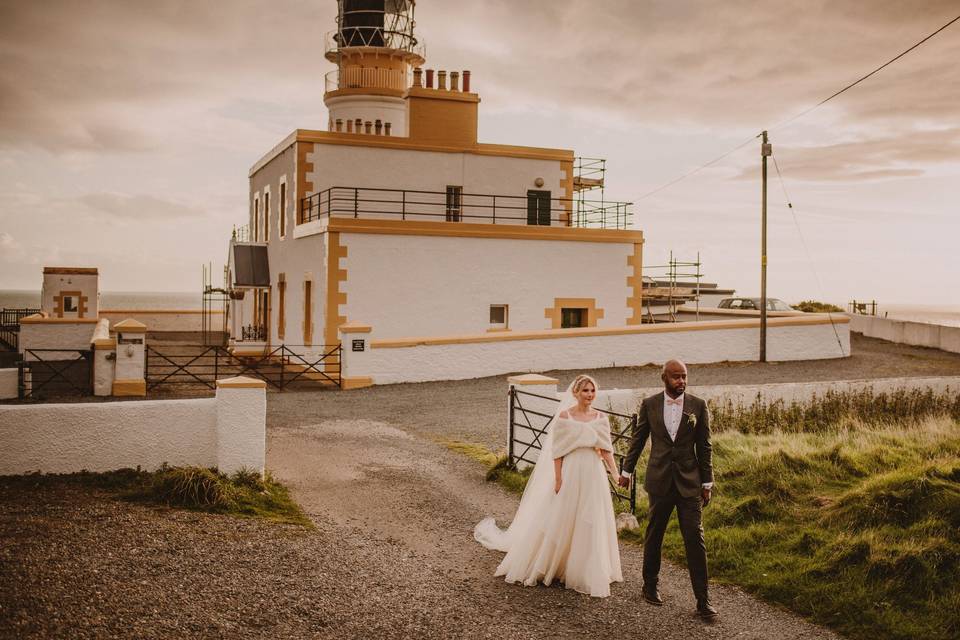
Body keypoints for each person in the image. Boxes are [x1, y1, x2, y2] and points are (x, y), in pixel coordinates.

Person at [474, 374, 623, 597]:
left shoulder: (600, 418)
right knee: (564, 515)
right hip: (572, 470)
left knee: (590, 517)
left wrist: (615, 474)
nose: (589, 395)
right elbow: (558, 451)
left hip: (593, 472)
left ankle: (586, 567)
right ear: (576, 393)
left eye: (592, 391)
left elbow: (606, 450)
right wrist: (558, 478)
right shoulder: (565, 417)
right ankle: (555, 562)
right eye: (585, 391)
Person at [617, 359, 718, 619]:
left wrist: (707, 482)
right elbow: (638, 439)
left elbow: (705, 446)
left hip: (689, 483)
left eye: (684, 376)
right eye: (676, 377)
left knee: (695, 538)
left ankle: (703, 600)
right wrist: (626, 471)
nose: (681, 381)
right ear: (664, 378)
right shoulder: (650, 404)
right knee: (655, 533)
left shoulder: (698, 405)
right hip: (660, 481)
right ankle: (650, 586)